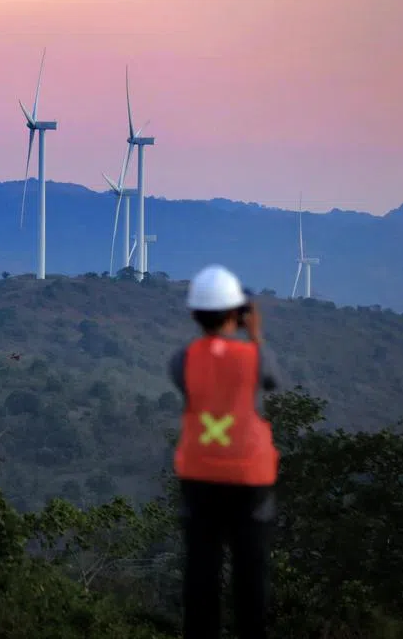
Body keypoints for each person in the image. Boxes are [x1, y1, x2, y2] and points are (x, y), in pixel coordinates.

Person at [168, 264, 285, 639]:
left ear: (193, 314)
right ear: (236, 313)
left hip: (199, 475)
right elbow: (273, 382)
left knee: (201, 570)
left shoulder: (182, 360)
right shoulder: (254, 358)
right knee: (250, 573)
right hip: (249, 478)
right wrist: (255, 336)